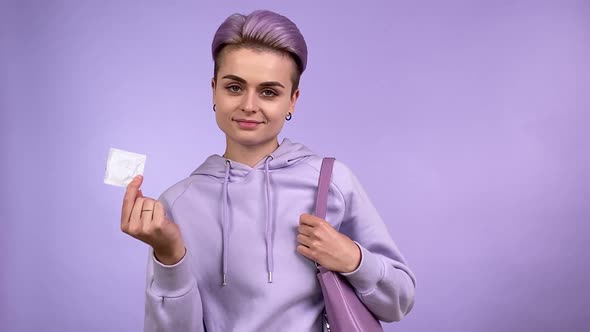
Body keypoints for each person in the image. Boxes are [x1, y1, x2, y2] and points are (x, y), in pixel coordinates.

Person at [120, 9, 416, 332]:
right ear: (214, 89)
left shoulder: (330, 183)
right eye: (234, 88)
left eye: (269, 92)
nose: (249, 105)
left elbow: (400, 300)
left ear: (293, 100)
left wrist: (353, 259)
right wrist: (170, 256)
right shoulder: (176, 204)